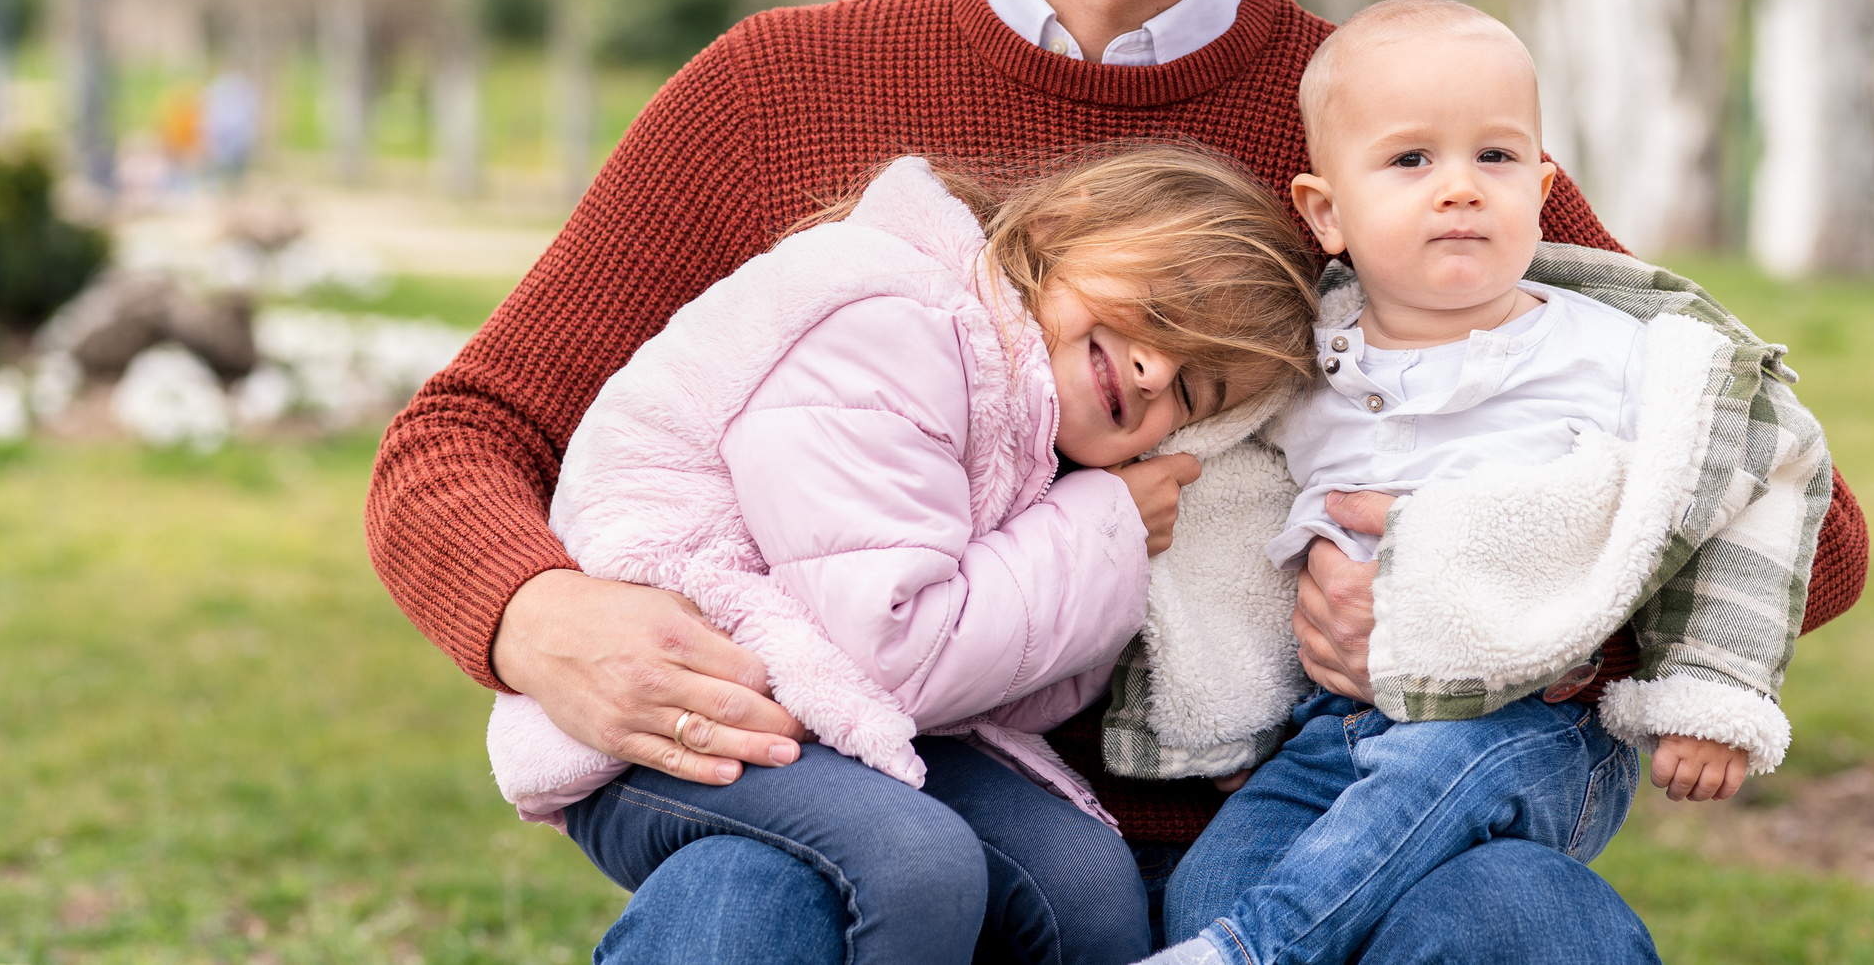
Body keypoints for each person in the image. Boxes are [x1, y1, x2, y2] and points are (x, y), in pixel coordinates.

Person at [366, 0, 1870, 962]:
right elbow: (463, 434)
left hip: (1301, 853)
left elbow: (1801, 508)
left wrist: (1514, 617)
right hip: (908, 828)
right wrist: (534, 616)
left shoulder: (1395, 134)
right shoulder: (778, 91)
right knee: (743, 889)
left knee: (1513, 903)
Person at [490, 149, 1320, 965]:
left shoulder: (1027, 420)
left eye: (1191, 394)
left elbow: (994, 683)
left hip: (835, 707)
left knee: (1085, 887)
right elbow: (892, 651)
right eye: (1163, 312)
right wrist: (1101, 528)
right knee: (911, 864)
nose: (1153, 369)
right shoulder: (898, 326)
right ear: (1070, 224)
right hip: (668, 717)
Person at [1143, 0, 1828, 965]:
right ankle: (1232, 930)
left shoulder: (1613, 353)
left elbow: (1766, 468)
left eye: (1496, 158)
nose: (1460, 188)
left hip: (1527, 723)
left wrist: (1711, 683)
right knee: (1214, 881)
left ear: (1544, 188)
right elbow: (1224, 496)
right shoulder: (1304, 366)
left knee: (1422, 784)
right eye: (1412, 160)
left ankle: (1252, 951)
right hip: (1334, 723)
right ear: (1325, 213)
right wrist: (1225, 697)